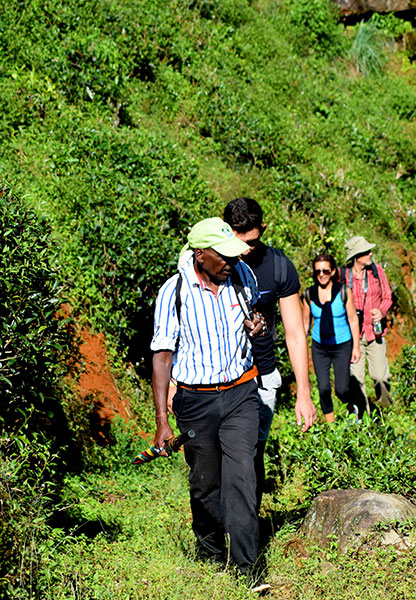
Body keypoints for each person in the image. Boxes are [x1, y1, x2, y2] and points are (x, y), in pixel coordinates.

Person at [151, 217, 267, 579]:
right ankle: (212, 551)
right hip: (195, 401)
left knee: (242, 476)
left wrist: (257, 325)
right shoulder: (175, 292)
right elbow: (162, 355)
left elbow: (255, 316)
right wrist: (161, 422)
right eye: (223, 256)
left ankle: (248, 568)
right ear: (200, 254)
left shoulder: (243, 276)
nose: (231, 262)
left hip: (240, 394)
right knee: (205, 484)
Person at [223, 197, 316, 508]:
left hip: (262, 374)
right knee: (220, 454)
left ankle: (248, 528)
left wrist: (303, 392)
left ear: (262, 229)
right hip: (221, 376)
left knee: (253, 452)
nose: (245, 250)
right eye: (239, 241)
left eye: (252, 241)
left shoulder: (278, 266)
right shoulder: (215, 262)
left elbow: (294, 333)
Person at [301, 253, 363, 422]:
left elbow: (353, 319)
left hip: (342, 345)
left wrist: (356, 347)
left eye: (326, 271)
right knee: (323, 388)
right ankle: (331, 427)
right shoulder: (309, 295)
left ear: (333, 271)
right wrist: (300, 349)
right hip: (319, 347)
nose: (321, 274)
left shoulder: (343, 291)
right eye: (318, 271)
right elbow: (305, 324)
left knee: (342, 389)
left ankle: (353, 409)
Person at [341, 236, 393, 409]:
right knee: (357, 380)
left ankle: (385, 409)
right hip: (353, 336)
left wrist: (381, 311)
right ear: (357, 256)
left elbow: (387, 296)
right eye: (366, 252)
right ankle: (364, 420)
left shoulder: (377, 272)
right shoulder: (343, 276)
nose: (370, 254)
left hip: (375, 333)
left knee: (380, 377)